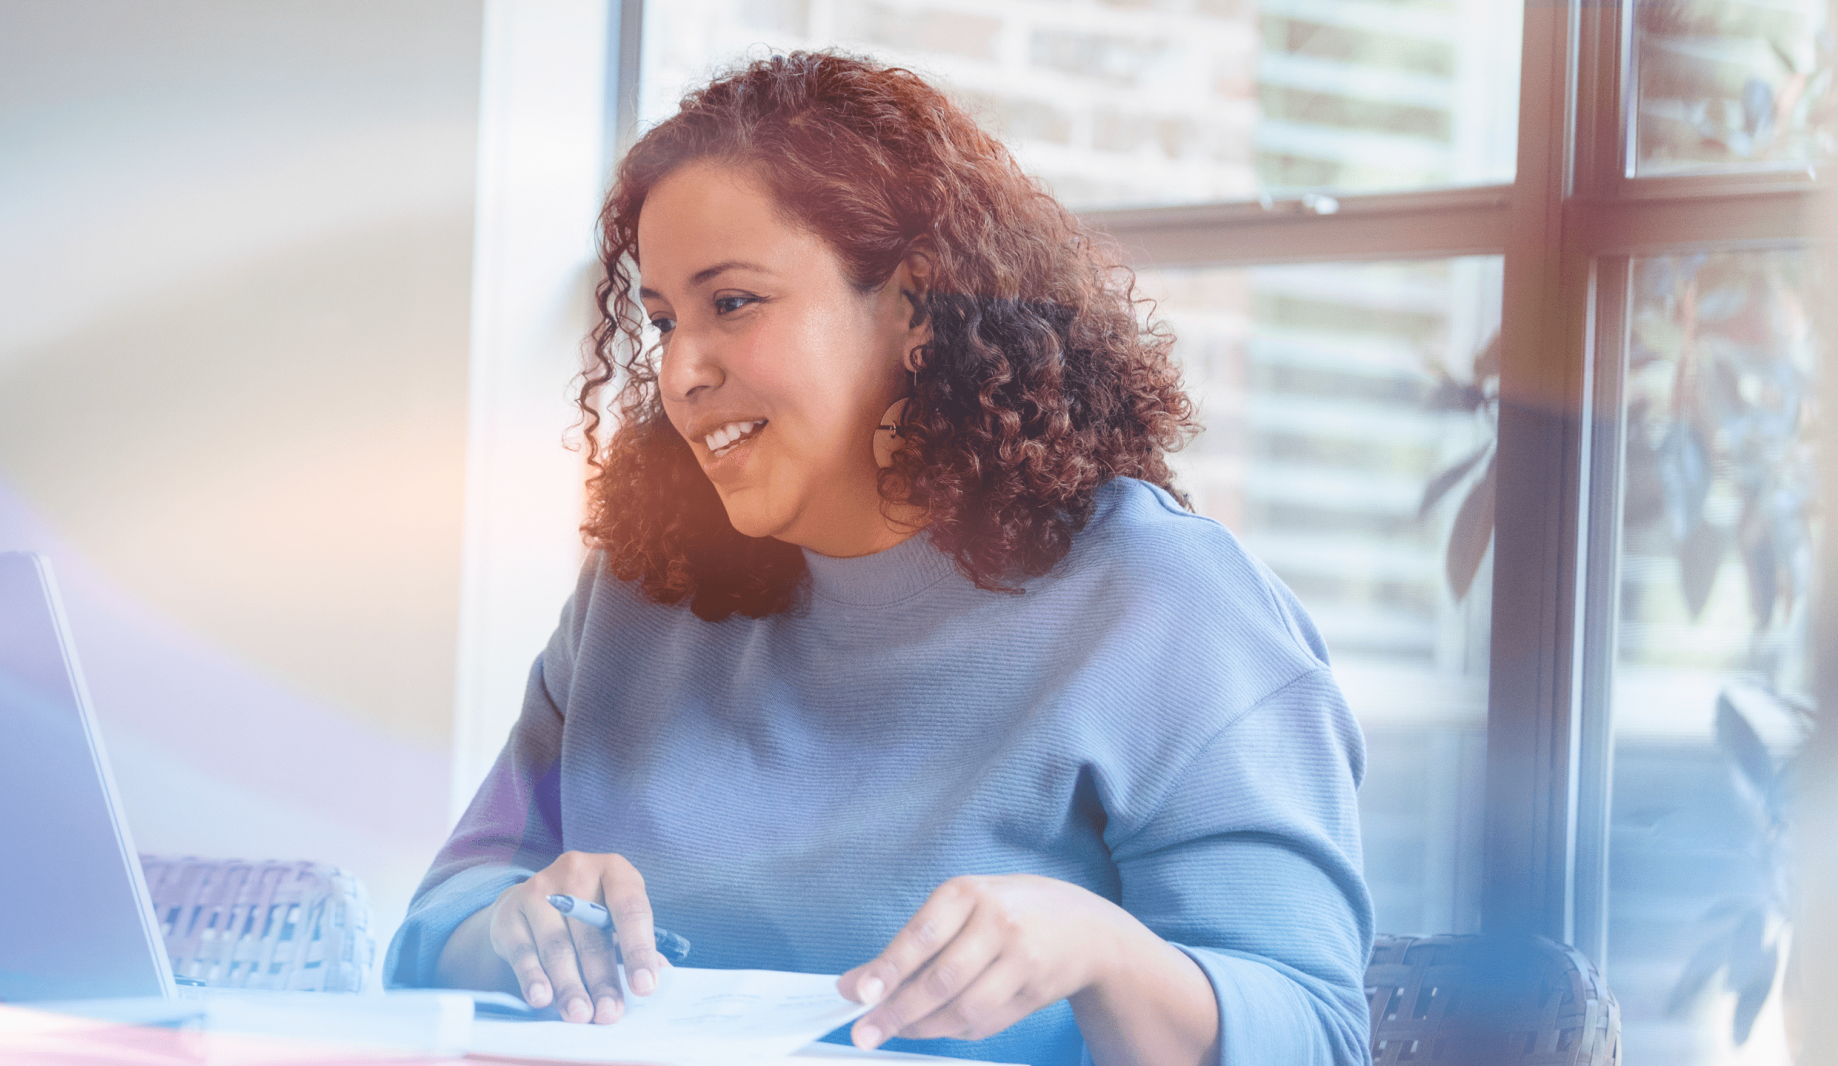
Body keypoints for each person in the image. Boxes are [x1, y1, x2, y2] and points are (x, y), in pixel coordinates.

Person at [384, 52, 1371, 1066]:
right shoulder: (637, 597)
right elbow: (432, 928)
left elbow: (1318, 1033)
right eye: (664, 319)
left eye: (733, 304)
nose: (679, 372)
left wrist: (1104, 952)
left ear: (912, 305)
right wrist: (509, 928)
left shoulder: (1165, 607)